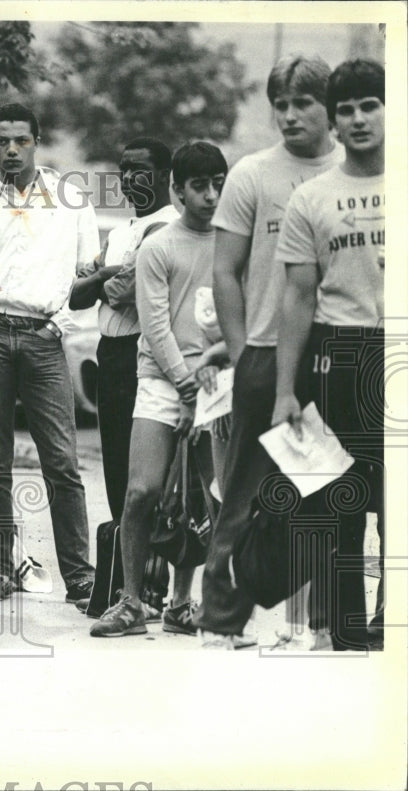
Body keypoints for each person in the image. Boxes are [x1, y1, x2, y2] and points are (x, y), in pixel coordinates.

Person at [193, 55, 344, 649]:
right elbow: (224, 272)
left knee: (328, 494)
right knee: (245, 493)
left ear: (328, 106)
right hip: (263, 350)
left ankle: (320, 624)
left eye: (302, 102)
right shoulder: (252, 173)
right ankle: (221, 622)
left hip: (333, 351)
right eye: (279, 103)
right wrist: (238, 352)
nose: (288, 115)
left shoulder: (356, 173)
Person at [0, 103, 100, 602]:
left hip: (44, 338)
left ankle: (79, 575)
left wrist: (59, 324)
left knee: (62, 461)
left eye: (21, 140)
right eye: (2, 141)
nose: (11, 149)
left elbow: (87, 276)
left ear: (36, 141)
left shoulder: (71, 201)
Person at [89, 142, 228, 637]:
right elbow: (154, 326)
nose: (210, 195)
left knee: (204, 496)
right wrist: (187, 389)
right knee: (142, 491)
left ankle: (183, 603)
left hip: (217, 384)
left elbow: (239, 315)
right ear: (178, 188)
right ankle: (131, 601)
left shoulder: (235, 242)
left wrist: (208, 385)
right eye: (199, 186)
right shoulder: (158, 246)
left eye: (218, 183)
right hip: (162, 382)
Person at [271, 59, 385, 652]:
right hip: (340, 352)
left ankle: (391, 620)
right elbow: (296, 296)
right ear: (335, 122)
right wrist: (286, 389)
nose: (358, 118)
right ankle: (344, 628)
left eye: (370, 104)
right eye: (346, 109)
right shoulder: (313, 197)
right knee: (342, 496)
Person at [68, 138, 180, 613]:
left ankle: (153, 584)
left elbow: (122, 291)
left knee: (149, 476)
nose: (130, 178)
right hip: (111, 353)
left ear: (163, 175)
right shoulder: (121, 233)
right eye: (124, 169)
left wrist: (103, 275)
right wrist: (107, 272)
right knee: (115, 465)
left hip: (144, 353)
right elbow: (75, 295)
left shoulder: (168, 227)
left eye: (141, 170)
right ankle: (126, 580)